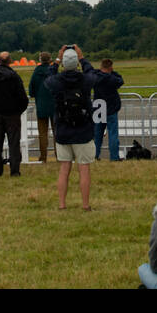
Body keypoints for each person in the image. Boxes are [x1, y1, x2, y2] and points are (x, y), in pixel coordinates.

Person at [45, 46, 98, 209]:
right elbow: (93, 74)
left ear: (63, 64)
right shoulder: (85, 80)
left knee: (64, 168)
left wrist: (56, 61)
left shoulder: (57, 82)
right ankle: (85, 204)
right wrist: (83, 59)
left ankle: (62, 204)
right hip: (83, 129)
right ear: (77, 64)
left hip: (63, 128)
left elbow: (48, 77)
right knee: (84, 169)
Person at [0, 51, 29, 176]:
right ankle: (14, 171)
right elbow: (23, 98)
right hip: (13, 115)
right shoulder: (15, 77)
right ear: (10, 61)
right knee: (14, 143)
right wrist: (18, 111)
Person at [92, 58, 125, 161]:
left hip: (98, 107)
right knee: (113, 134)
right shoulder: (113, 78)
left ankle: (94, 156)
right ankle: (114, 157)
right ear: (110, 67)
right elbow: (120, 80)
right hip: (111, 108)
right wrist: (111, 72)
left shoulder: (96, 76)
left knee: (97, 135)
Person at [28, 52, 56, 162]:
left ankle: (43, 156)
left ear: (40, 59)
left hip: (41, 105)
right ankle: (59, 154)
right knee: (56, 132)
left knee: (43, 133)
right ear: (50, 60)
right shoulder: (53, 71)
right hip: (54, 105)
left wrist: (36, 95)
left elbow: (31, 89)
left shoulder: (36, 72)